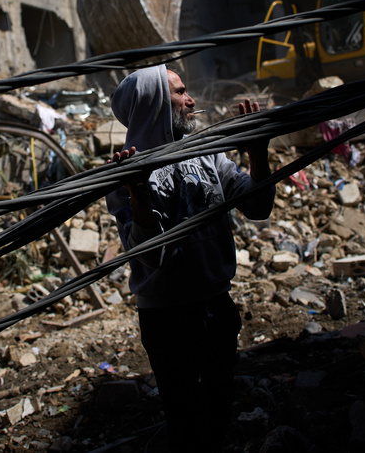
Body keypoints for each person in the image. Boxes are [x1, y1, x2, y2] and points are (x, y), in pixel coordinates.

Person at [106, 64, 275, 451]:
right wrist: (139, 195)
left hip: (217, 305)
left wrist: (258, 154)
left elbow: (258, 207)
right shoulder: (126, 175)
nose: (191, 100)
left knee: (218, 412)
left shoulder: (208, 156)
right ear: (156, 106)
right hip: (169, 318)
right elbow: (155, 257)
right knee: (185, 422)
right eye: (180, 93)